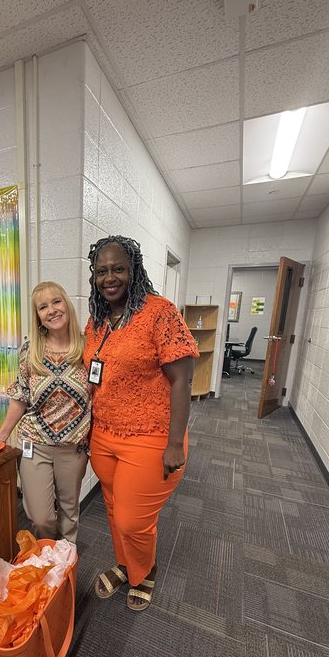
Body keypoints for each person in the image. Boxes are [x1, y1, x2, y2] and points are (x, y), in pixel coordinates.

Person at [84, 236, 199, 611]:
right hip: (104, 433)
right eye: (101, 271)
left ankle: (145, 571)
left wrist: (174, 444)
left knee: (134, 519)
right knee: (116, 508)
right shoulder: (97, 319)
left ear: (134, 270)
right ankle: (126, 565)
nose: (109, 277)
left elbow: (182, 379)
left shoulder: (159, 312)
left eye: (118, 268)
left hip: (150, 434)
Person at [0, 281, 91, 545]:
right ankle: (47, 557)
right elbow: (20, 398)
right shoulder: (30, 351)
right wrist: (0, 436)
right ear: (37, 315)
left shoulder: (88, 347)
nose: (52, 310)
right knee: (41, 518)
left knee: (69, 514)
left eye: (56, 302)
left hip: (73, 447)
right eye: (43, 307)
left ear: (67, 304)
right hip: (34, 443)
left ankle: (65, 565)